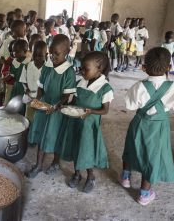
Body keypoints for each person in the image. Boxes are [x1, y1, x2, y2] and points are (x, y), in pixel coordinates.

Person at [120, 47, 174, 206]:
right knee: (152, 157)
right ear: (169, 67)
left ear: (144, 67)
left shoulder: (138, 86)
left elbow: (129, 105)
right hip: (158, 127)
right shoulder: (172, 87)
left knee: (131, 147)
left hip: (140, 123)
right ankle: (144, 194)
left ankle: (125, 178)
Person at [60, 51, 113, 193]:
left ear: (99, 69)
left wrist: (91, 111)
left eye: (86, 69)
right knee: (76, 148)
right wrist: (67, 105)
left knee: (87, 151)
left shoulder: (105, 88)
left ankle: (90, 176)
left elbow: (105, 110)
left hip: (89, 127)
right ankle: (77, 174)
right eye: (81, 68)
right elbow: (75, 101)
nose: (82, 71)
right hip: (76, 123)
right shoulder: (80, 82)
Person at [26, 35, 76, 178]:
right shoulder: (47, 67)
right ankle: (38, 165)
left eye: (57, 54)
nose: (53, 56)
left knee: (55, 136)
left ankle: (55, 161)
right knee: (42, 135)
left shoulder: (68, 72)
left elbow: (67, 95)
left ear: (66, 52)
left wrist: (57, 105)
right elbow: (41, 87)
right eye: (51, 53)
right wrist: (37, 100)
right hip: (44, 107)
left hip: (57, 110)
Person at [20, 41, 47, 124]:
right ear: (32, 53)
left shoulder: (48, 69)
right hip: (30, 97)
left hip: (42, 100)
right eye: (35, 55)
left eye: (40, 56)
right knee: (28, 118)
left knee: (39, 120)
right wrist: (26, 88)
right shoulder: (27, 66)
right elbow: (23, 80)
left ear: (46, 55)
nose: (37, 58)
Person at [8, 39, 31, 115]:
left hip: (25, 88)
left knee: (23, 106)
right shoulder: (14, 62)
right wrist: (2, 80)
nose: (14, 53)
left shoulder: (29, 63)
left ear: (25, 51)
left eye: (17, 51)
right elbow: (11, 75)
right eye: (13, 51)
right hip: (16, 87)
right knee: (15, 104)